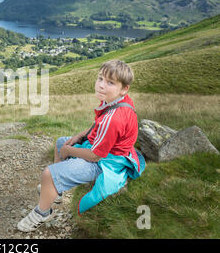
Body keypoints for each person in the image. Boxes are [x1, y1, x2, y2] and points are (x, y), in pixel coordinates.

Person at [17, 60, 146, 233]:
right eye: (100, 78)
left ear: (124, 89)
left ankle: (43, 212)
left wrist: (69, 151)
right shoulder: (117, 101)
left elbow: (95, 156)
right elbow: (100, 125)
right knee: (61, 141)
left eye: (110, 82)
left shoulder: (114, 118)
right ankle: (57, 191)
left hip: (106, 162)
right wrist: (80, 135)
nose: (101, 85)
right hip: (105, 150)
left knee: (49, 172)